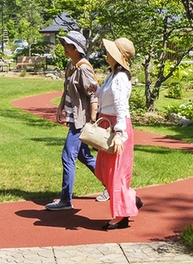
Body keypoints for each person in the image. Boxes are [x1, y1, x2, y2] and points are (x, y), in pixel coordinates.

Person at [45, 30, 102, 211]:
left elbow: (93, 94)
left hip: (81, 122)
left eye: (68, 45)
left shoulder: (83, 69)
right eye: (64, 44)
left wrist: (92, 120)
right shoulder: (72, 65)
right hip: (74, 119)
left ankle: (65, 200)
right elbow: (67, 90)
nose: (64, 48)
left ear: (77, 48)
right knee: (84, 156)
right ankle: (112, 186)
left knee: (67, 156)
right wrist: (60, 106)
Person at [94, 37, 142, 229]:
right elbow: (108, 98)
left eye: (110, 51)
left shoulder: (121, 78)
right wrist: (96, 90)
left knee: (116, 173)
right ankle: (130, 200)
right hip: (109, 125)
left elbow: (121, 107)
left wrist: (120, 134)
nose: (106, 53)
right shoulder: (112, 75)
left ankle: (121, 214)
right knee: (103, 169)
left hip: (117, 127)